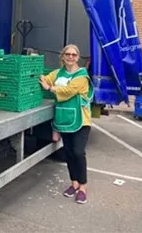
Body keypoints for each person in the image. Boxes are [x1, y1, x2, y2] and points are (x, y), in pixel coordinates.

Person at [39, 44, 93, 204]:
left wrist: (50, 88)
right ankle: (73, 183)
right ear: (63, 56)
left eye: (74, 55)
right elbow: (45, 78)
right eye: (67, 54)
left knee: (78, 152)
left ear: (78, 57)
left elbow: (69, 91)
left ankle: (83, 187)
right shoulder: (58, 73)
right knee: (68, 152)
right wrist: (41, 77)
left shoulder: (82, 75)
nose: (70, 57)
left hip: (81, 120)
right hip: (64, 119)